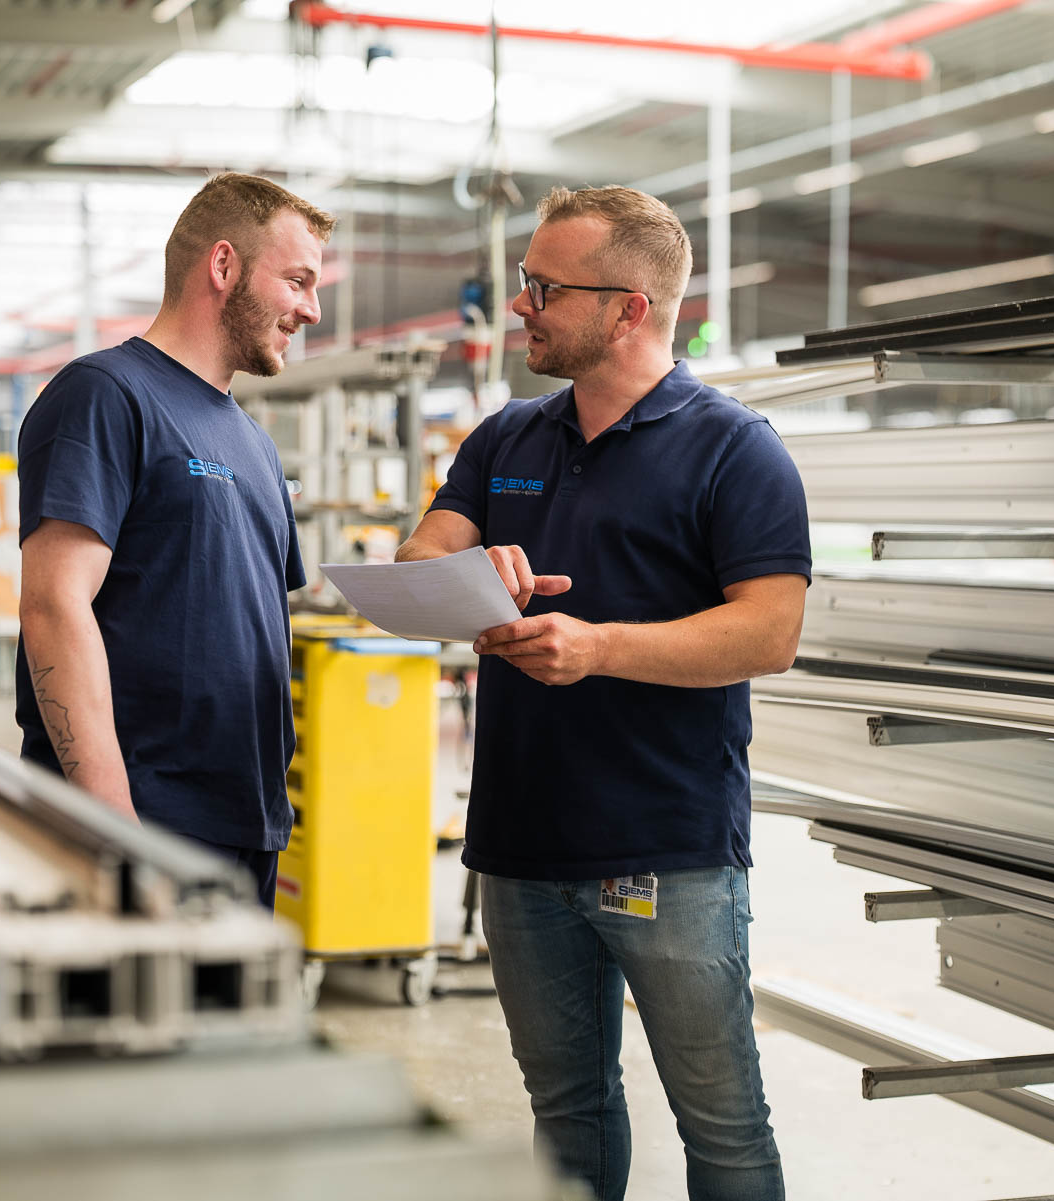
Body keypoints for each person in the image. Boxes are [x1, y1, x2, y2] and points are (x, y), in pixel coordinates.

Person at [396, 184, 807, 1201]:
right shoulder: (507, 440)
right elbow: (419, 558)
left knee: (722, 1122)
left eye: (544, 286)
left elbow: (772, 629)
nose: (521, 304)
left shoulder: (734, 448)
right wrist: (470, 576)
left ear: (628, 308)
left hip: (668, 851)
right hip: (523, 849)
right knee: (564, 1114)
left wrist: (600, 647)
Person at [14, 172, 333, 909]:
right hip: (142, 826)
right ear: (223, 266)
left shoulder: (253, 443)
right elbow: (54, 605)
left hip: (244, 826)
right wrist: (113, 827)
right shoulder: (106, 395)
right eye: (297, 280)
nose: (311, 309)